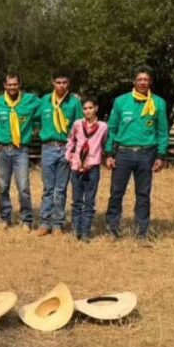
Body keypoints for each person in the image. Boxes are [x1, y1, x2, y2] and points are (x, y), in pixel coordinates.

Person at [104, 67, 169, 243]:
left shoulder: (159, 103)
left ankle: (141, 232)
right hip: (123, 153)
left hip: (146, 154)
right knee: (116, 193)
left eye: (146, 79)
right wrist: (109, 153)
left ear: (150, 82)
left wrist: (161, 155)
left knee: (143, 195)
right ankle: (112, 230)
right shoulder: (121, 101)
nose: (142, 82)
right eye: (139, 79)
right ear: (134, 81)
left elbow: (162, 132)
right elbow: (112, 129)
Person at [0, 73, 40, 230]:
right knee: (3, 186)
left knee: (23, 186)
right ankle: (5, 218)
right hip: (2, 150)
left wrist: (33, 129)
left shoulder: (31, 100)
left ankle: (27, 220)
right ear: (4, 85)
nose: (12, 87)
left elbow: (46, 109)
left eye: (15, 84)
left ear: (20, 84)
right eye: (9, 84)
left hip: (20, 150)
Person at [37, 73, 84, 236]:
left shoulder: (74, 102)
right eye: (58, 82)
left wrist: (77, 151)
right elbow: (35, 118)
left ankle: (58, 224)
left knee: (61, 188)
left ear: (69, 83)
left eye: (64, 82)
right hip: (48, 147)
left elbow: (79, 126)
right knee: (48, 188)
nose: (61, 85)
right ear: (53, 83)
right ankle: (45, 222)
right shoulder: (44, 100)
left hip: (66, 147)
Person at [65, 97, 108, 241]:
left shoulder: (103, 126)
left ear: (96, 108)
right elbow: (71, 140)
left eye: (90, 108)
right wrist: (69, 156)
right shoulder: (77, 124)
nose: (88, 111)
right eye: (85, 108)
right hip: (77, 167)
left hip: (93, 167)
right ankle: (76, 230)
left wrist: (99, 156)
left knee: (89, 201)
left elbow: (104, 143)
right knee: (76, 200)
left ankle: (85, 232)